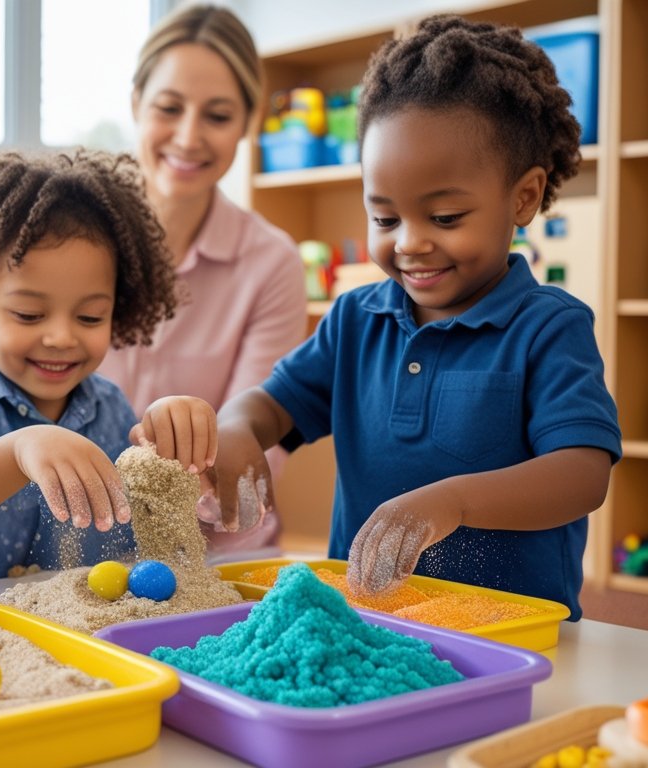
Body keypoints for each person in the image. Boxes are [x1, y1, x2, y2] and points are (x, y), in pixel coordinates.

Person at [211, 15, 621, 620]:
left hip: (510, 633)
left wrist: (453, 502)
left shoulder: (549, 327)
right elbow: (271, 405)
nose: (409, 243)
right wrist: (236, 430)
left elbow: (582, 475)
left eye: (446, 218)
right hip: (366, 626)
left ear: (524, 197)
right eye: (384, 219)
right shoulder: (355, 319)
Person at [0, 150, 217, 587]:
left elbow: (145, 506)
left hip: (67, 623)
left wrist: (169, 441)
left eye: (89, 318)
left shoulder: (107, 406)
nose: (62, 337)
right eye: (29, 315)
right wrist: (19, 449)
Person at [96, 4, 307, 553]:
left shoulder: (271, 261)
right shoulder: (74, 243)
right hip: (76, 547)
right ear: (137, 103)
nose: (189, 137)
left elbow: (252, 447)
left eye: (216, 116)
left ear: (247, 122)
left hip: (219, 557)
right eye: (169, 107)